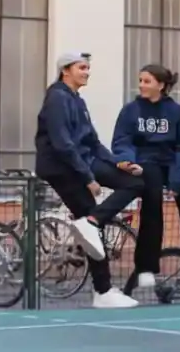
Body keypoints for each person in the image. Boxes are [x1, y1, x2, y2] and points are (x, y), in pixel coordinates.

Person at [32, 51, 143, 309]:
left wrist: (118, 163)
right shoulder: (57, 98)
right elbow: (63, 144)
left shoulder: (77, 100)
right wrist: (89, 177)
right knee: (90, 224)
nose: (87, 72)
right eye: (82, 67)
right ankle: (103, 290)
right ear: (65, 70)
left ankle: (92, 222)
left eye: (87, 68)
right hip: (63, 168)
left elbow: (93, 142)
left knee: (135, 182)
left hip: (81, 163)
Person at [111, 64, 180, 296]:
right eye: (140, 80)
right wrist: (128, 161)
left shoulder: (176, 112)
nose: (141, 85)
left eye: (146, 81)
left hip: (172, 162)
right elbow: (122, 140)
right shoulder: (131, 110)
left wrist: (177, 181)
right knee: (151, 204)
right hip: (145, 163)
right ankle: (146, 267)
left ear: (161, 85)